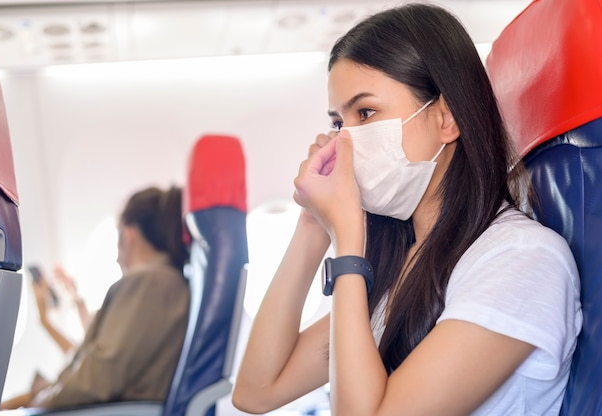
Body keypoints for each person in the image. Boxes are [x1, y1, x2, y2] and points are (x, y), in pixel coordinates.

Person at [232, 3, 582, 416]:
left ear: (447, 118)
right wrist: (312, 225)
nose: (344, 143)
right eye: (339, 124)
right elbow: (256, 391)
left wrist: (348, 244)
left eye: (366, 113)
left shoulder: (521, 259)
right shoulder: (403, 264)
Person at [0, 185, 191, 410]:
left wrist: (38, 403)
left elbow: (98, 375)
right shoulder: (166, 281)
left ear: (128, 235)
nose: (117, 259)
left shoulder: (148, 283)